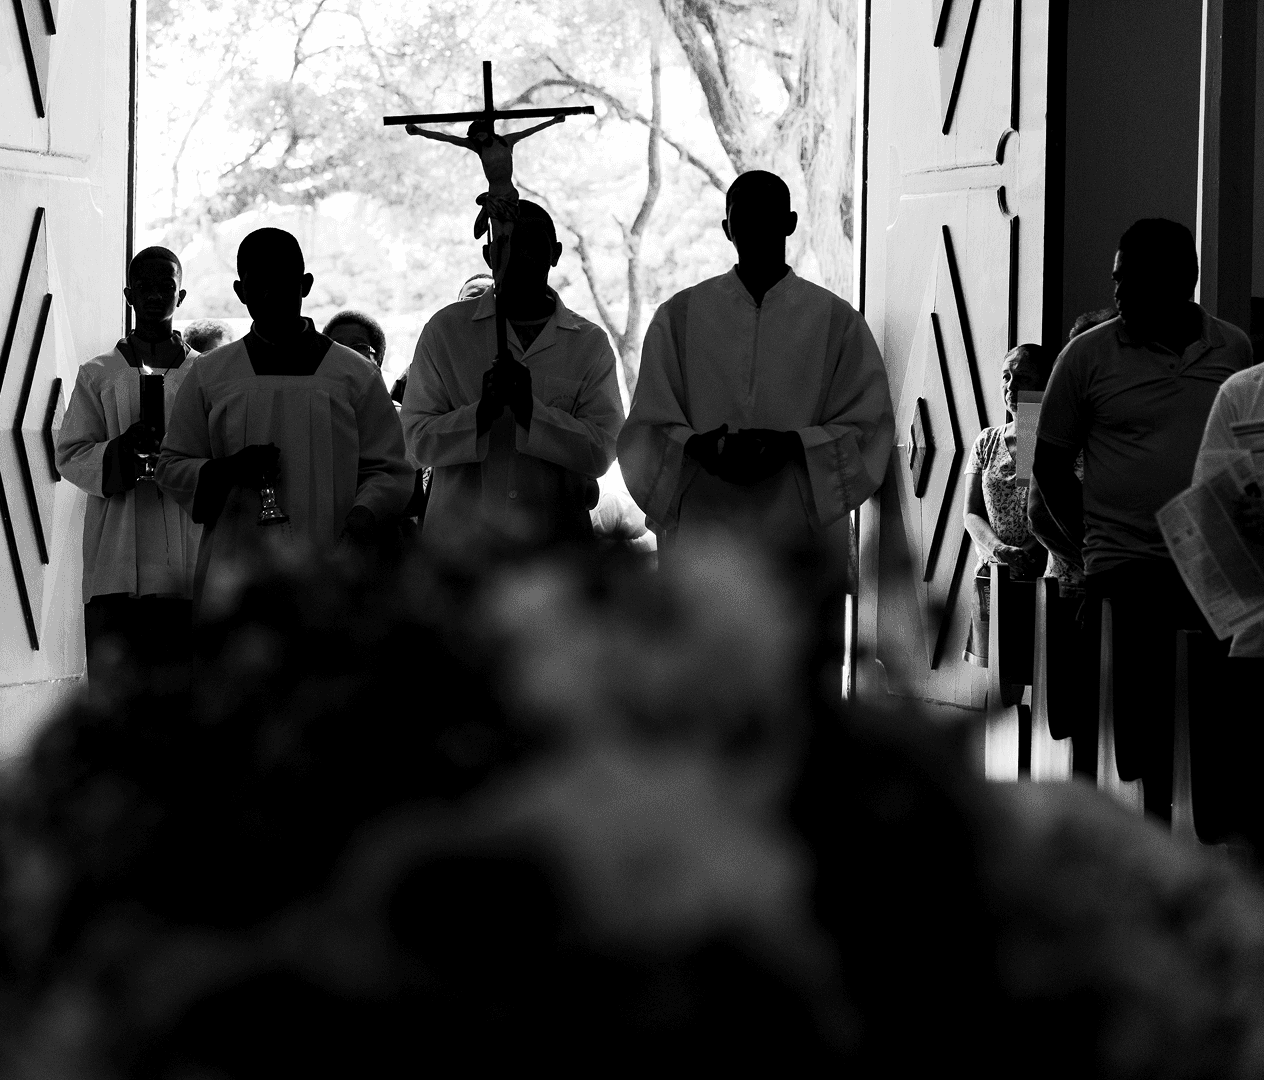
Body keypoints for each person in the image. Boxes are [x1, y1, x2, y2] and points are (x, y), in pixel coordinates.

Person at [1031, 218, 1252, 820]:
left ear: (1183, 280)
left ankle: (1206, 829)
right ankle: (1139, 826)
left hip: (1212, 569)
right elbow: (1048, 466)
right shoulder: (1086, 356)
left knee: (1215, 724)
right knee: (1140, 727)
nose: (1118, 292)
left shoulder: (1233, 349)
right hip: (1125, 569)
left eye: (1132, 278)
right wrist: (1091, 545)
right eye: (1116, 278)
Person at [617, 170, 893, 565]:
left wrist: (793, 444)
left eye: (768, 213)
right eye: (744, 215)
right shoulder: (679, 317)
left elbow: (870, 429)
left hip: (797, 529)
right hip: (707, 521)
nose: (756, 225)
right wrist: (696, 446)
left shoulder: (837, 321)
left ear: (790, 223)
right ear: (727, 228)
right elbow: (645, 429)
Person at [157, 228, 413, 605]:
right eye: (258, 284)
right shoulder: (211, 374)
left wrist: (363, 517)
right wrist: (228, 470)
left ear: (305, 285)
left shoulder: (353, 374)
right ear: (240, 291)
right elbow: (171, 466)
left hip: (333, 562)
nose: (270, 293)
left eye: (282, 281)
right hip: (238, 567)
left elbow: (389, 470)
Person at [400, 201, 623, 549]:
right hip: (459, 548)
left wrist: (533, 414)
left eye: (534, 244)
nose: (522, 256)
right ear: (489, 255)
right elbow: (414, 443)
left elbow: (603, 451)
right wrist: (480, 415)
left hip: (554, 550)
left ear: (555, 253)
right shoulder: (446, 332)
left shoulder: (588, 344)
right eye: (507, 245)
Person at [56, 247, 202, 680]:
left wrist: (180, 461)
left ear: (181, 295)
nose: (155, 295)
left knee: (182, 687)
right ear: (128, 295)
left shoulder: (205, 373)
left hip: (185, 554)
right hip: (115, 552)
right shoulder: (98, 373)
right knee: (116, 694)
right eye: (144, 286)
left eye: (165, 287)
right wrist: (121, 449)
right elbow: (71, 453)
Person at [961, 345, 1051, 694]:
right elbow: (971, 513)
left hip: (1038, 573)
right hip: (992, 573)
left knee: (1037, 677)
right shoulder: (987, 441)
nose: (1010, 386)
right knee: (1000, 687)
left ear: (1046, 384)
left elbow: (1042, 508)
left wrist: (1024, 554)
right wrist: (999, 550)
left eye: (1023, 378)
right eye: (1006, 376)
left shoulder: (1044, 435)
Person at [405, 116, 567, 238]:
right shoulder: (477, 146)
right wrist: (419, 132)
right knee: (498, 236)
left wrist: (553, 121)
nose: (479, 139)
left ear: (487, 132)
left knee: (507, 236)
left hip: (509, 195)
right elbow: (448, 138)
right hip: (494, 195)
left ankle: (502, 268)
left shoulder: (506, 141)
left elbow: (529, 131)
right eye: (476, 137)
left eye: (481, 135)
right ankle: (498, 267)